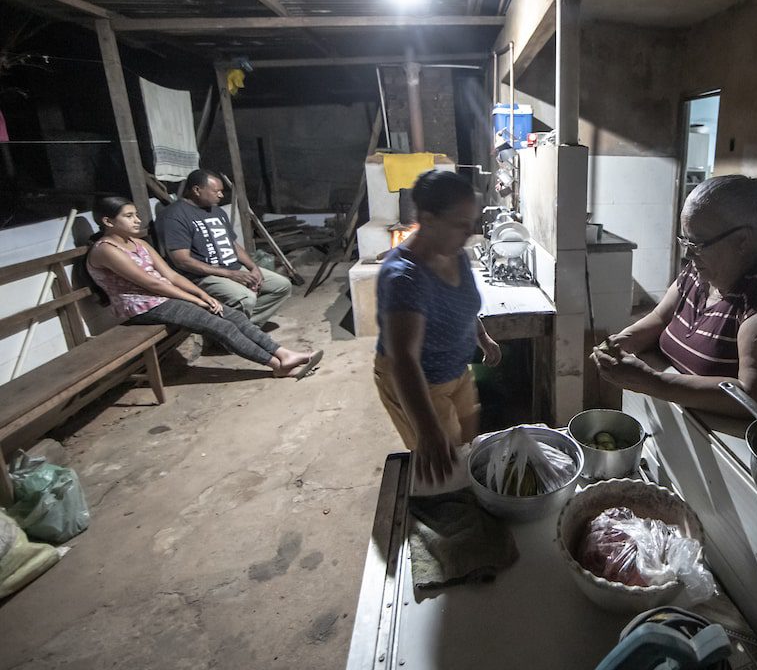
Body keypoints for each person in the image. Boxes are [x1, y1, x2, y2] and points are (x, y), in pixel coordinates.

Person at [592, 175, 757, 419]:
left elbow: (756, 402)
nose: (688, 253)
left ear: (742, 240)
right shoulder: (703, 269)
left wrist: (651, 382)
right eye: (685, 240)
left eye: (697, 243)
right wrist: (623, 341)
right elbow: (659, 317)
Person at [83, 197, 322, 379]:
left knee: (232, 315)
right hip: (141, 306)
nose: (137, 220)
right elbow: (151, 283)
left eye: (136, 214)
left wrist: (202, 294)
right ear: (108, 221)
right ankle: (276, 365)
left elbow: (170, 276)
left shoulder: (139, 243)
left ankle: (283, 353)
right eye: (129, 216)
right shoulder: (107, 249)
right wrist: (196, 300)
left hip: (164, 297)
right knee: (216, 323)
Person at [374, 170, 502, 485]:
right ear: (428, 219)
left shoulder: (453, 254)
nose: (469, 232)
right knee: (446, 465)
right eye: (461, 224)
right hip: (420, 385)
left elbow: (464, 304)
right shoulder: (404, 278)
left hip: (457, 371)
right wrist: (427, 429)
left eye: (471, 222)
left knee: (469, 447)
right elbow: (404, 360)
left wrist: (483, 338)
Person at [156, 169, 291, 326]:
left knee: (281, 286)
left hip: (232, 268)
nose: (221, 195)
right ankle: (235, 332)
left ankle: (240, 328)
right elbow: (182, 261)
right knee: (246, 297)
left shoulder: (217, 211)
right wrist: (229, 274)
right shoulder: (174, 216)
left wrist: (253, 267)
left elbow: (232, 244)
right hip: (203, 276)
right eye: (216, 191)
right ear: (197, 190)